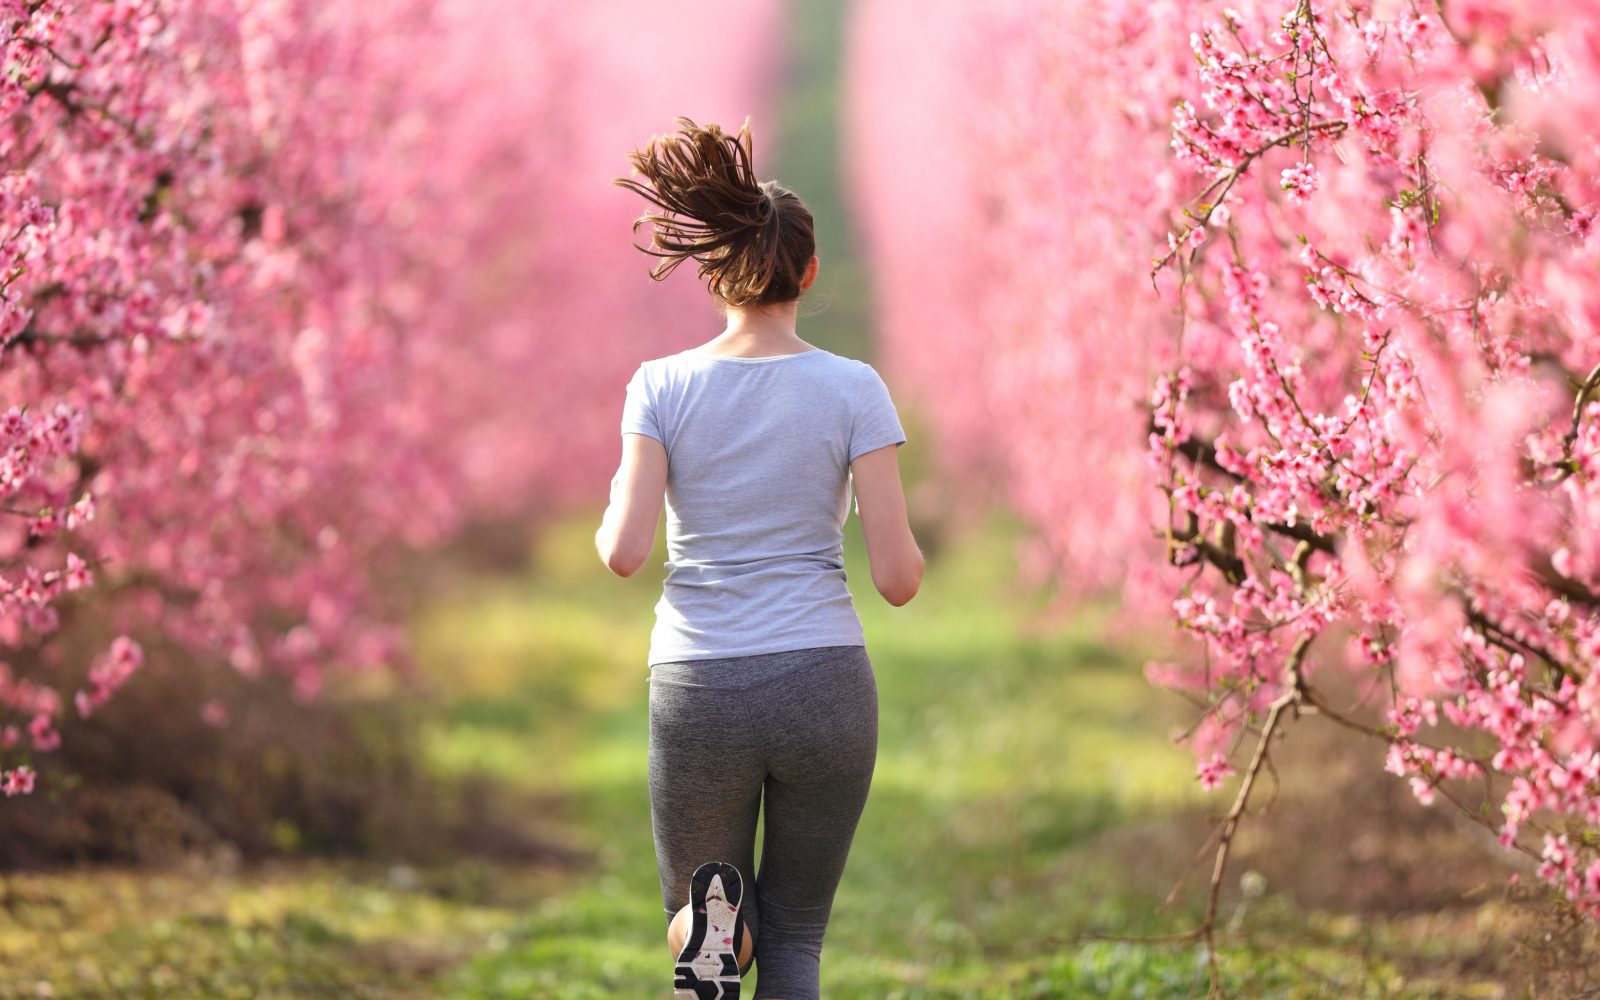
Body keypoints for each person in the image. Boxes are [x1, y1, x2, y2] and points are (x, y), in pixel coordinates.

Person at [595, 116, 924, 1000]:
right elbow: (897, 580)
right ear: (808, 273)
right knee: (797, 941)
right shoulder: (855, 387)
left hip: (700, 682)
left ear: (715, 274)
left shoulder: (660, 384)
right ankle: (741, 936)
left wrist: (610, 515)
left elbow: (624, 553)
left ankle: (709, 931)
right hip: (824, 679)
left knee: (701, 924)